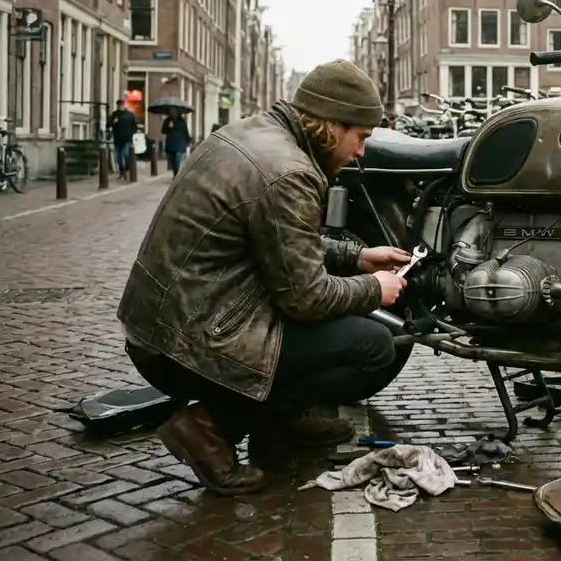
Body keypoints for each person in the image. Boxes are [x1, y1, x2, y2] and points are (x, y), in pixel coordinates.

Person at [117, 59, 412, 496]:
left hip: (164, 327)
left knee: (353, 333)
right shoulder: (290, 172)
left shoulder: (254, 133)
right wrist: (375, 289)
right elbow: (306, 298)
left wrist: (358, 257)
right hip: (189, 343)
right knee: (372, 346)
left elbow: (275, 241)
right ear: (332, 125)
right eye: (360, 137)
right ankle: (208, 428)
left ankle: (279, 422)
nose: (361, 152)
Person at [107, 99, 138, 177]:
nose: (121, 107)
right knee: (119, 156)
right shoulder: (114, 114)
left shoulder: (130, 115)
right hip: (117, 138)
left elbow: (134, 126)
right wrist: (113, 122)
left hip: (127, 138)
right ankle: (122, 170)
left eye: (122, 105)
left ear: (125, 105)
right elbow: (108, 125)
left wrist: (133, 134)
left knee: (126, 154)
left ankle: (128, 168)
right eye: (119, 105)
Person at [161, 108, 191, 178]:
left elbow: (185, 131)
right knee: (172, 158)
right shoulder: (167, 120)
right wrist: (168, 127)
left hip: (180, 141)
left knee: (178, 155)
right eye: (172, 111)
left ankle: (176, 172)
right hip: (171, 142)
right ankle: (175, 171)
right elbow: (163, 131)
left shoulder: (181, 121)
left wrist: (188, 140)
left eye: (174, 111)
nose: (173, 112)